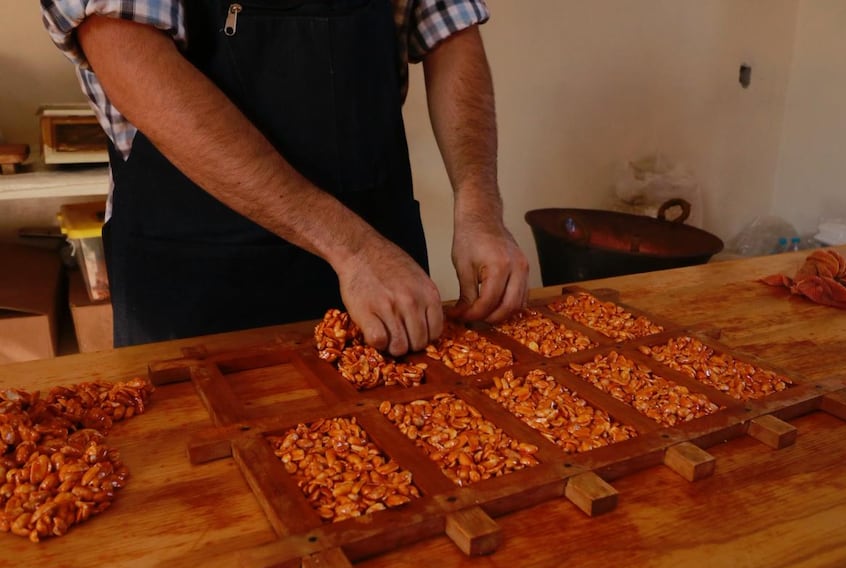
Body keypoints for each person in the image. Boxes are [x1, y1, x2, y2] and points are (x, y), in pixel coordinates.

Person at [40, 0, 529, 356]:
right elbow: (125, 51)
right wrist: (353, 249)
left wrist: (479, 208)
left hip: (383, 262)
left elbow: (451, 31)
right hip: (198, 276)